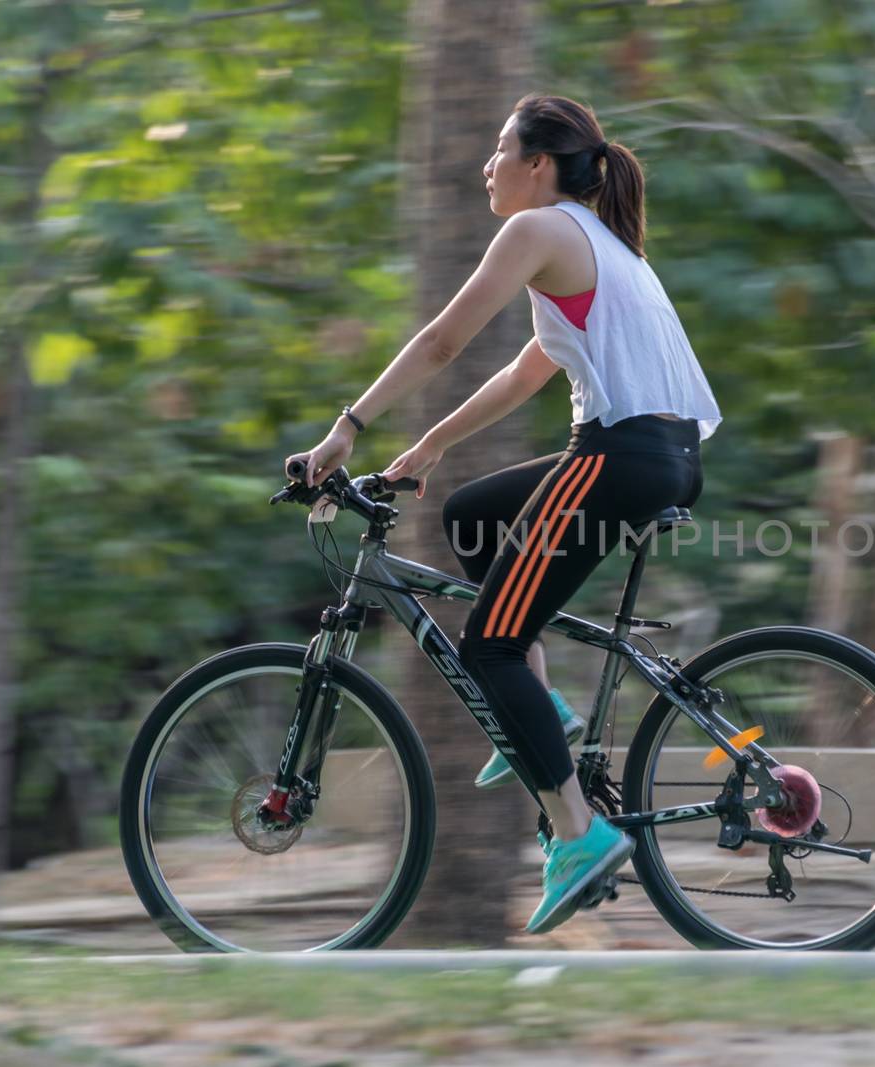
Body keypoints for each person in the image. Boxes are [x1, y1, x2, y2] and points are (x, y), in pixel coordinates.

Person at [285, 92, 722, 934]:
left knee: (485, 643)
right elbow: (527, 371)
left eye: (498, 149)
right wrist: (432, 446)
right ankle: (544, 709)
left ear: (538, 164)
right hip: (664, 458)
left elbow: (443, 341)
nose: (486, 166)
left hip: (618, 457)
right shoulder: (597, 243)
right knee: (474, 513)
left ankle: (577, 834)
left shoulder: (537, 230)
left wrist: (347, 429)